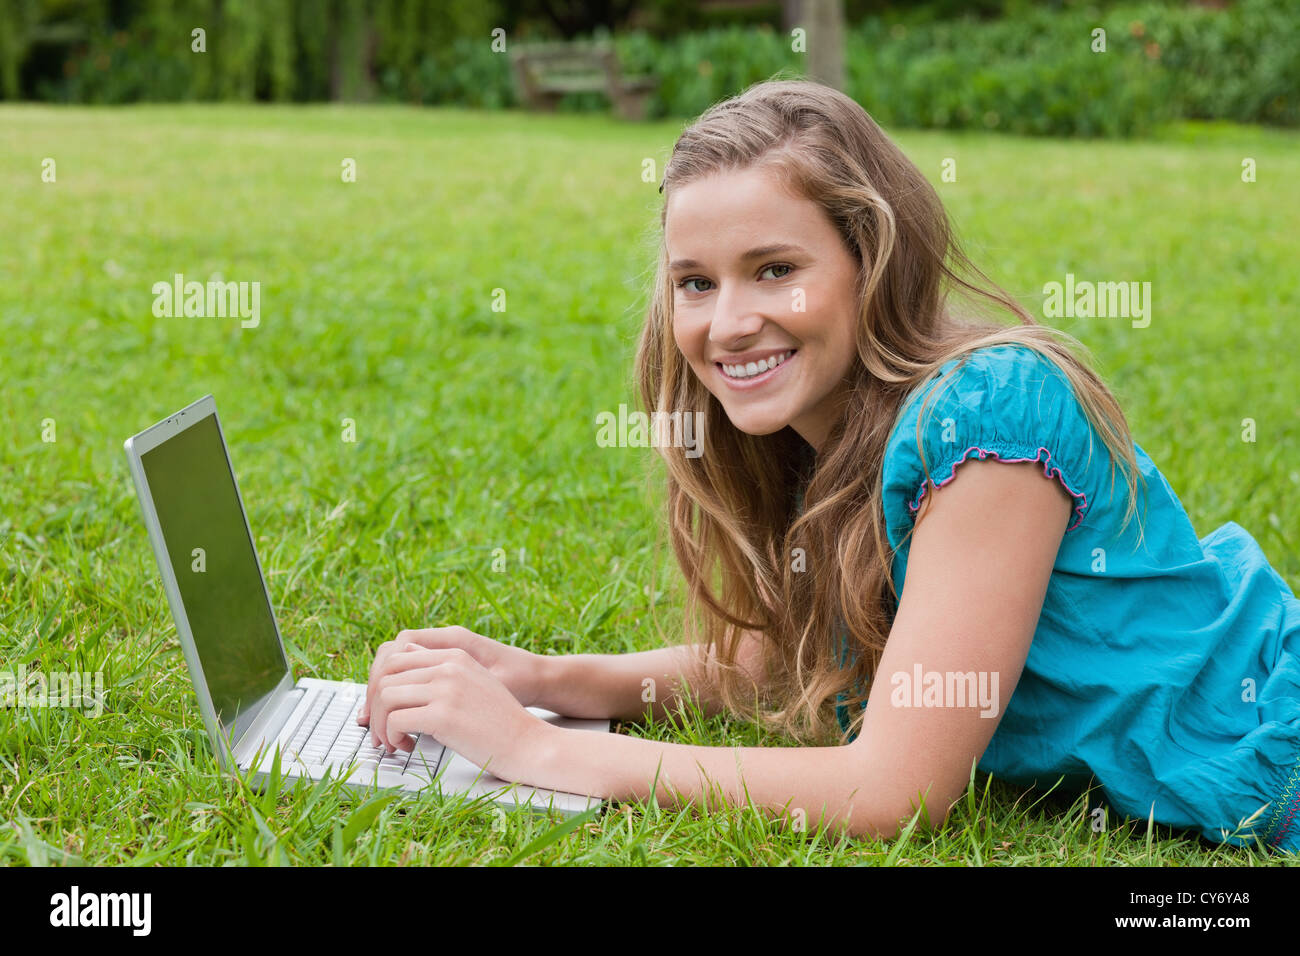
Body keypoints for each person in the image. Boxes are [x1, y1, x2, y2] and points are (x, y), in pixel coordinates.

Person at [358, 78, 1300, 852]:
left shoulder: (992, 414)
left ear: (872, 261)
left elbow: (893, 789)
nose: (727, 323)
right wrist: (550, 679)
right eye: (696, 282)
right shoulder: (825, 428)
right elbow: (816, 660)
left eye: (775, 269)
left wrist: (537, 752)